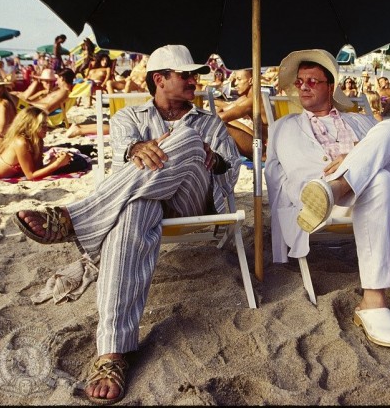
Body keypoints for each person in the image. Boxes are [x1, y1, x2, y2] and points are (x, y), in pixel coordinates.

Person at [13, 44, 241, 405]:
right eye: (186, 75)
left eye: (195, 75)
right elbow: (125, 167)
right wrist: (136, 149)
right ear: (159, 79)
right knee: (134, 210)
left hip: (191, 200)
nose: (194, 81)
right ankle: (111, 354)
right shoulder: (128, 117)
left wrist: (212, 159)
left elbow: (231, 173)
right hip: (142, 197)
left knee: (188, 138)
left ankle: (75, 218)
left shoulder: (209, 122)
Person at [265, 49, 390, 350]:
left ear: (330, 87)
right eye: (300, 82)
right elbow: (285, 176)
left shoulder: (361, 122)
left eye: (312, 81)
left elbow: (388, 153)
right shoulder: (284, 127)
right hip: (319, 202)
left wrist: (352, 159)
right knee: (381, 180)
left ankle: (338, 186)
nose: (303, 87)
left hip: (355, 197)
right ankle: (373, 301)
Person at [0, 107, 73, 181]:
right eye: (42, 125)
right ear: (30, 126)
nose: (47, 128)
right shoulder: (21, 142)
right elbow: (31, 176)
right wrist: (56, 164)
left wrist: (54, 161)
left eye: (46, 124)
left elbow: (37, 169)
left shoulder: (38, 141)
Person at [214, 68, 267, 160]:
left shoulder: (254, 100)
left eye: (239, 79)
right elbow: (225, 109)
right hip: (260, 139)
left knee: (220, 124)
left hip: (265, 149)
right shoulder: (246, 98)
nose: (235, 83)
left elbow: (221, 117)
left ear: (251, 81)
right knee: (229, 122)